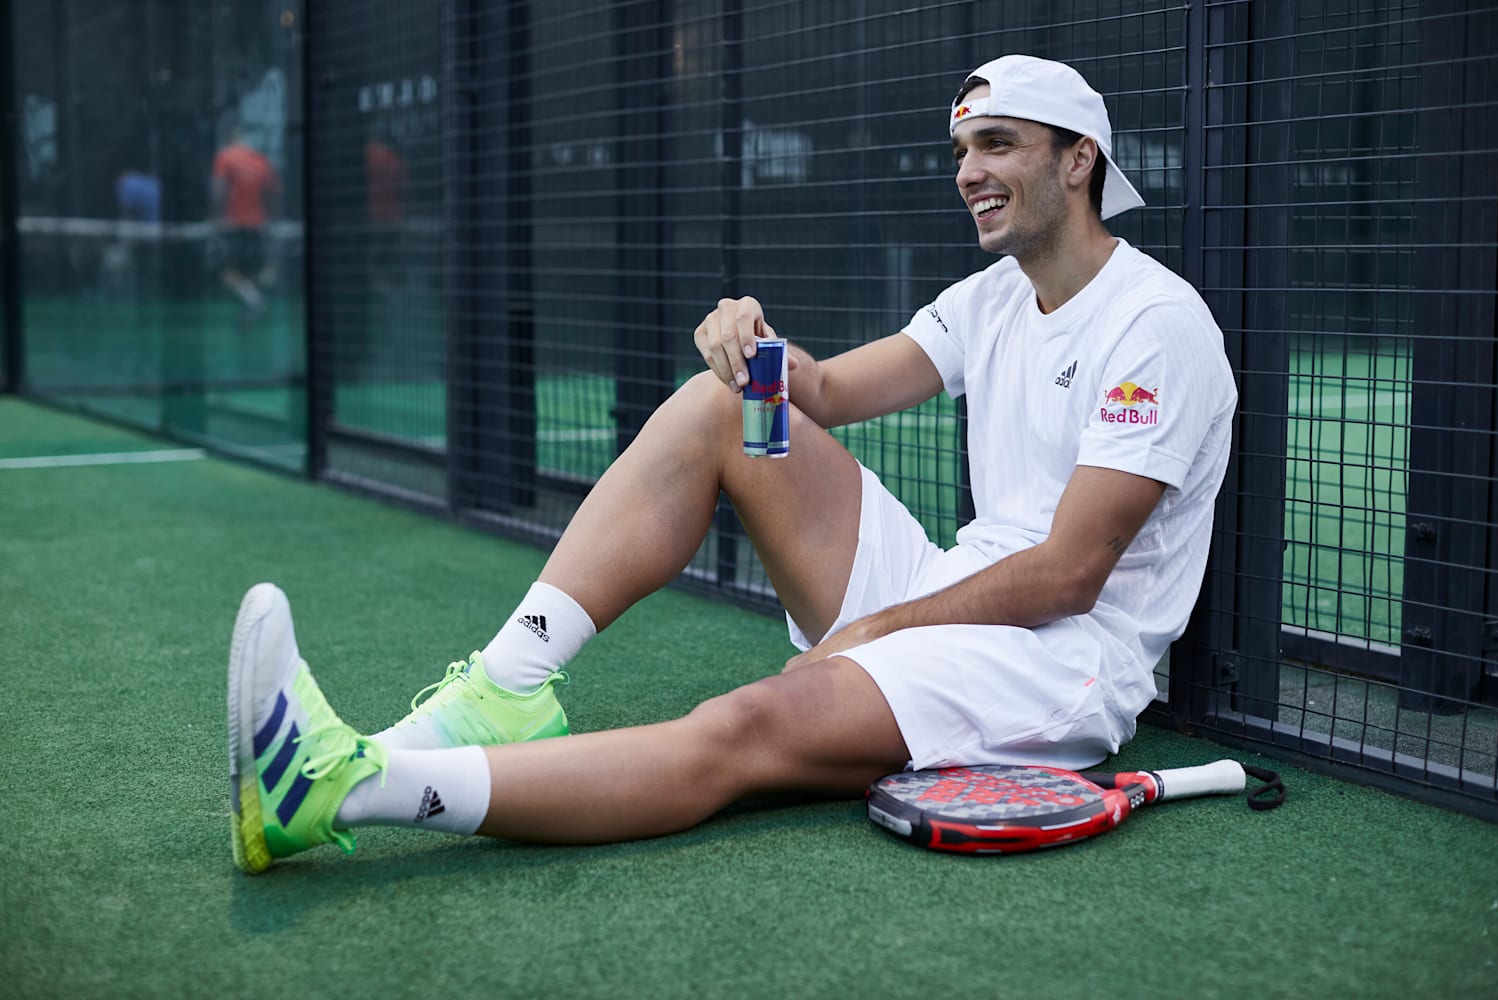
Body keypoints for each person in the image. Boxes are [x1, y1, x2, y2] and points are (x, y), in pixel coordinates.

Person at [228, 54, 1236, 874]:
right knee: (725, 404)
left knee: (747, 724)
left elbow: (1067, 573)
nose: (968, 169)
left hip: (1060, 659)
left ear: (1078, 160)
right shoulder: (994, 296)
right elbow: (829, 392)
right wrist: (751, 347)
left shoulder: (1154, 323)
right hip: (952, 587)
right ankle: (508, 683)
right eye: (964, 147)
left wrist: (878, 630)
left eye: (998, 144)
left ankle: (345, 788)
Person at [211, 127, 280, 322]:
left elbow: (219, 189)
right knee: (250, 269)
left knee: (226, 271)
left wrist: (218, 218)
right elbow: (273, 192)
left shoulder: (226, 157)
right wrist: (270, 219)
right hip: (257, 224)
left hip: (234, 225)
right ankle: (259, 289)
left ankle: (254, 302)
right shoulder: (261, 161)